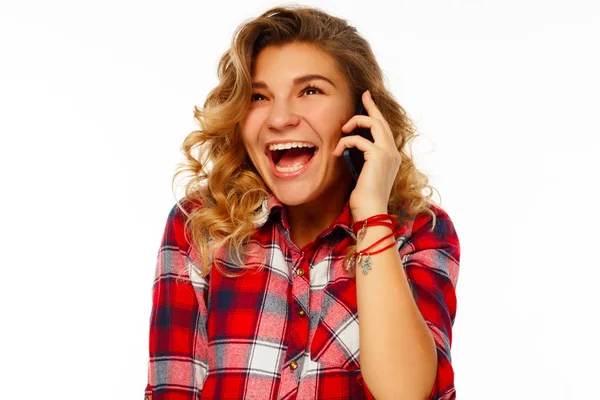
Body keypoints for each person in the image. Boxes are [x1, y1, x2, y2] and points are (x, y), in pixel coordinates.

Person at [144, 5, 460, 400]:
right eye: (259, 96)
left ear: (361, 113)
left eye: (310, 90)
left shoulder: (420, 232)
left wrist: (372, 219)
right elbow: (172, 390)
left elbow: (407, 394)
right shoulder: (200, 228)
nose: (279, 118)